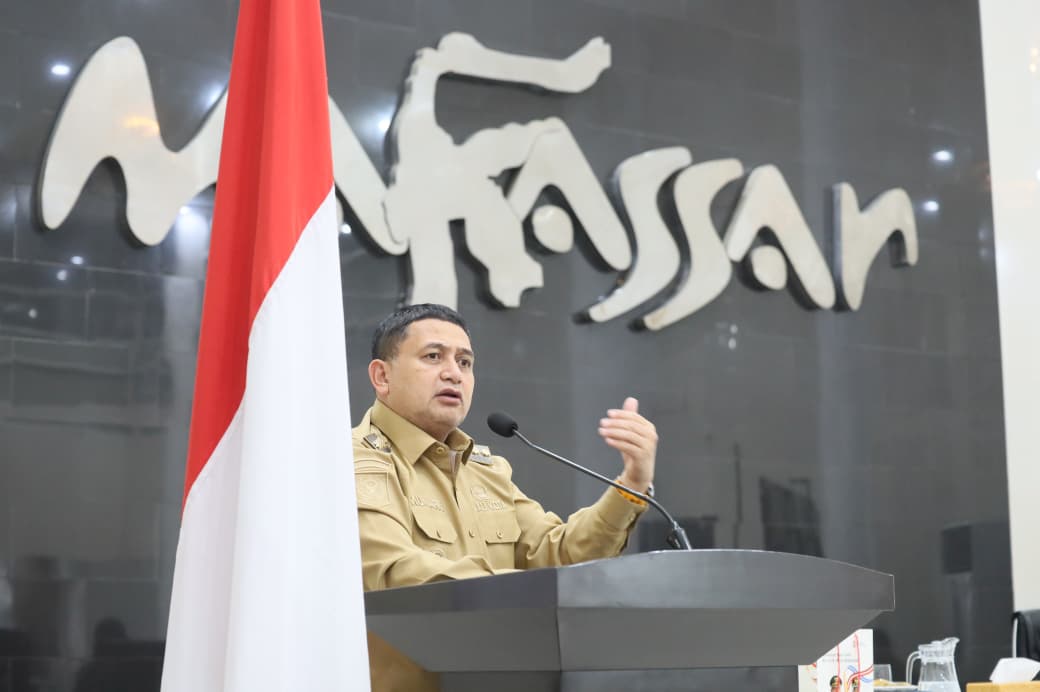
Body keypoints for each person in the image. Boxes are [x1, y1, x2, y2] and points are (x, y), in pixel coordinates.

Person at [354, 303, 659, 691]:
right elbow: (394, 573)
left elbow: (560, 554)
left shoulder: (486, 469)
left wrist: (632, 482)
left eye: (465, 362)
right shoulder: (352, 461)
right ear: (382, 376)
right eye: (433, 357)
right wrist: (529, 590)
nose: (453, 373)